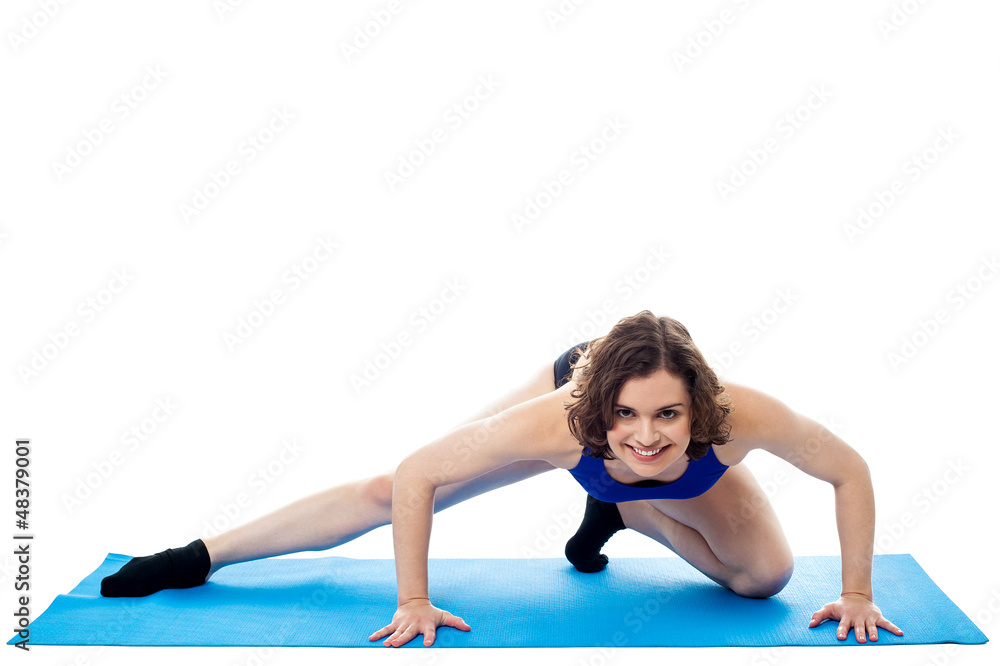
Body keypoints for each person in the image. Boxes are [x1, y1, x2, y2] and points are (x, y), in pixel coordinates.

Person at [100, 310, 903, 647]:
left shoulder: (741, 415)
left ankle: (618, 511)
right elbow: (414, 477)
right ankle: (202, 553)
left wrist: (859, 589)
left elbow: (850, 470)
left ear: (700, 405)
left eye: (667, 416)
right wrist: (412, 599)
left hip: (642, 465)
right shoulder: (554, 422)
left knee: (764, 578)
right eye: (625, 416)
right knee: (391, 490)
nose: (646, 436)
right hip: (563, 407)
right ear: (597, 410)